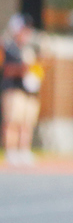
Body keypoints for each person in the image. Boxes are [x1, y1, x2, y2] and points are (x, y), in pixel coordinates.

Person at [1, 14, 41, 166]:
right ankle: (11, 151)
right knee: (12, 122)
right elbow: (5, 69)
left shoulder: (29, 48)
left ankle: (23, 150)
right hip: (13, 89)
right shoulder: (8, 47)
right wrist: (23, 69)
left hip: (28, 90)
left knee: (26, 123)